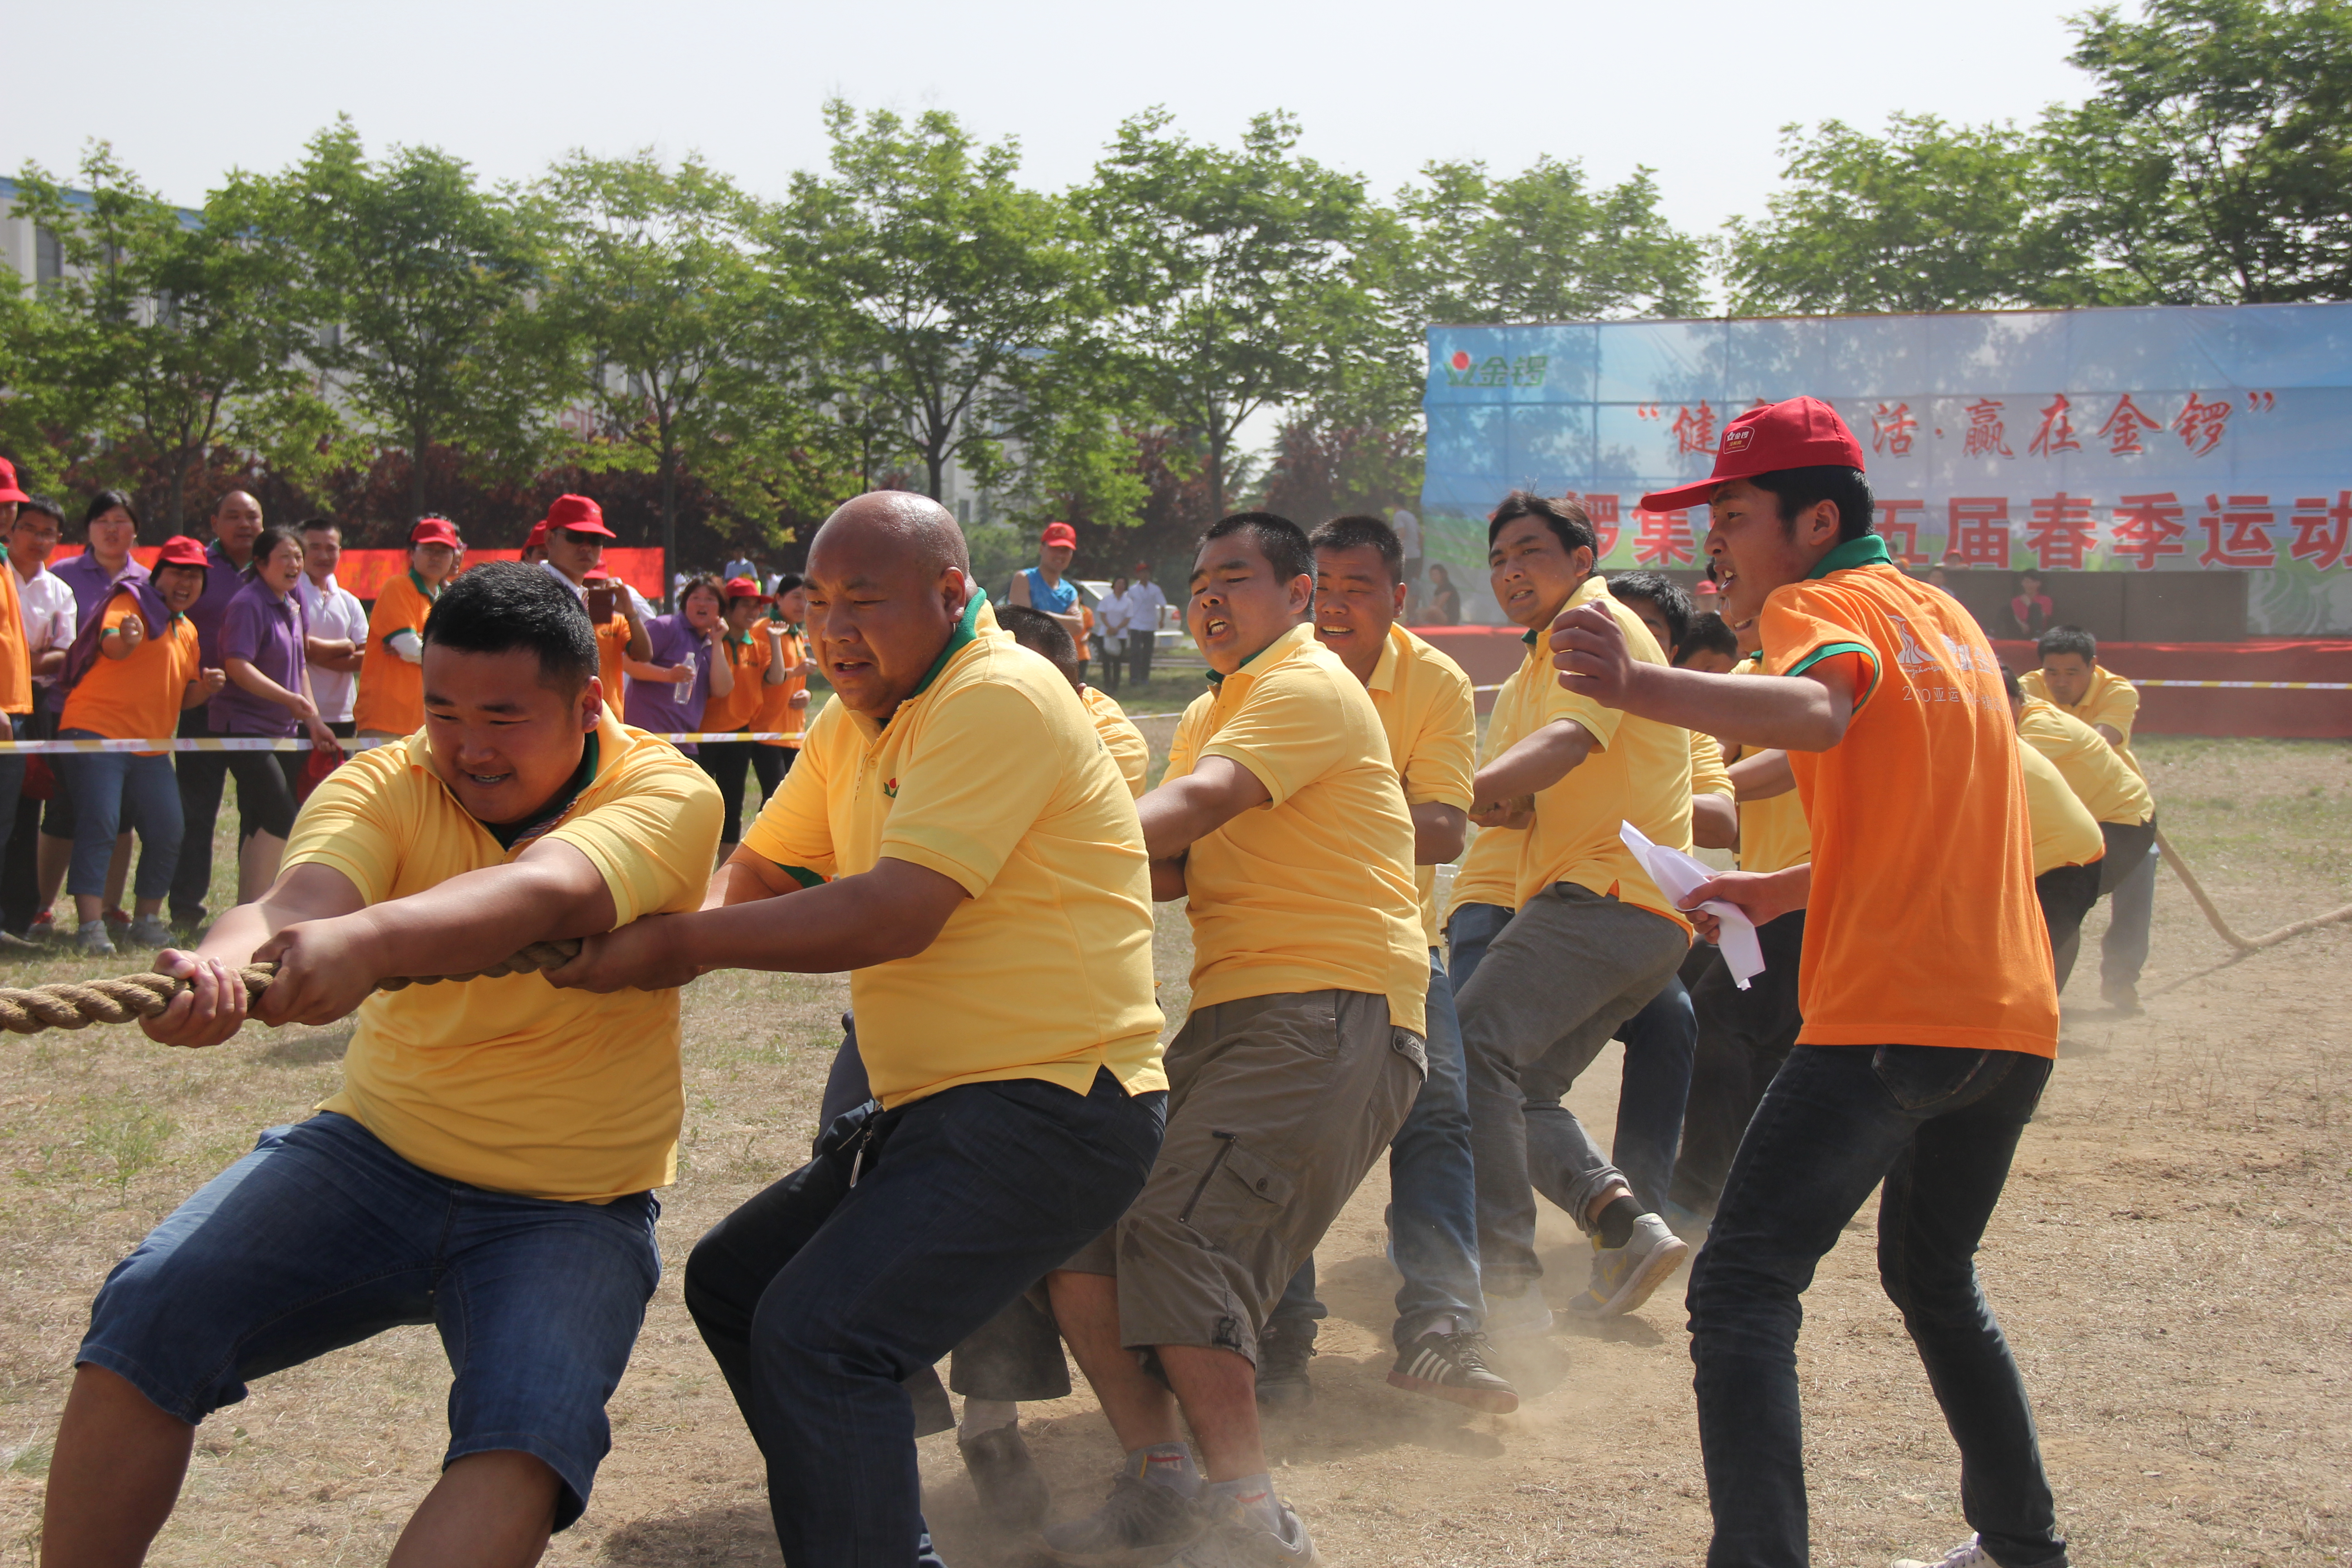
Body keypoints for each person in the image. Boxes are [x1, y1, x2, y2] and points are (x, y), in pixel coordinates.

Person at [40, 562, 721, 1567]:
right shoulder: (387, 777)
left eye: (503, 717)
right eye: (442, 711)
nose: (466, 746)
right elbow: (295, 902)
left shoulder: (667, 791)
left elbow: (545, 892)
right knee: (148, 1319)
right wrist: (223, 969)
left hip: (572, 1202)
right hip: (370, 1156)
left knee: (522, 1449)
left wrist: (372, 945)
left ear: (589, 704)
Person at [544, 492, 1165, 1566]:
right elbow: (765, 875)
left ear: (952, 592)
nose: (831, 628)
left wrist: (669, 950)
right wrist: (593, 925)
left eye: (863, 601)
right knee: (739, 1285)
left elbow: (894, 910)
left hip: (1057, 1101)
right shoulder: (846, 722)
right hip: (945, 1104)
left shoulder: (997, 693)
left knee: (825, 1335)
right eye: (816, 602)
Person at [1549, 395, 2065, 1568]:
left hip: (1893, 1013)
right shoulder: (1946, 620)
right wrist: (1780, 891)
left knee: (1738, 1288)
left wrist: (1642, 689)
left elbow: (1821, 711)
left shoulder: (1815, 605)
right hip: (2010, 1020)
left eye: (1732, 516)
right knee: (1930, 1272)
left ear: (1816, 519)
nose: (1711, 547)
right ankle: (2024, 1546)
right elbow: (1905, 806)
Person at [1044, 511, 1426, 1568]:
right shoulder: (1215, 708)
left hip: (1331, 1005)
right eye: (1197, 582)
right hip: (1236, 1012)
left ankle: (1252, 1514)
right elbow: (1164, 866)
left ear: (1299, 596)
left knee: (1174, 1227)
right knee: (1083, 1228)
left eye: (1236, 579)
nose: (1208, 598)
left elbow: (1196, 807)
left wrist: (1023, 850)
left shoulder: (1302, 685)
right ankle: (1160, 1480)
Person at [1256, 514, 1515, 1416]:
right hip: (1284, 947)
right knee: (1287, 1131)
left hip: (1401, 944)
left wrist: (1317, 817)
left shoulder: (1435, 682)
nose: (1332, 606)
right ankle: (1278, 1331)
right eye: (1318, 588)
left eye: (1355, 589)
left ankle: (1441, 1328)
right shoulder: (1271, 676)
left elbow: (1445, 826)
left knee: (1438, 1115)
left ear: (1399, 598)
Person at [1453, 494, 1693, 1334]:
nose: (1509, 571)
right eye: (1496, 560)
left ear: (1583, 558)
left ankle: (1505, 1283)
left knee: (1470, 1038)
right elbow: (1527, 798)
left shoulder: (1592, 624)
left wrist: (1453, 792)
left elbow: (1569, 743)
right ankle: (1619, 1227)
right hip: (1625, 911)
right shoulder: (1530, 667)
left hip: (1605, 896)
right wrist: (1488, 806)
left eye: (1528, 551)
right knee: (1521, 1084)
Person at [1597, 570, 1737, 1218]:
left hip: (1637, 923)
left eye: (1648, 628)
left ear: (1671, 651)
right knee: (1478, 1040)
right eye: (1615, 620)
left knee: (1674, 1020)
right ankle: (1469, 1223)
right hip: (1526, 911)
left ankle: (1640, 1216)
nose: (1628, 636)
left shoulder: (1690, 730)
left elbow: (1723, 817)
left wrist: (1647, 789)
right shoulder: (1545, 698)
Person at [1665, 622, 1812, 1233]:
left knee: (1722, 1019)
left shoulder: (1824, 661)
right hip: (1773, 888)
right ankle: (1746, 1186)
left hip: (1803, 886)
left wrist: (1678, 803)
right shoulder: (1750, 675)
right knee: (1770, 1038)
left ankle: (1695, 1197)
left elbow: (1795, 757)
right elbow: (1716, 752)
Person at [51, 536, 225, 953]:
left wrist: (206, 690)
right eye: (178, 572)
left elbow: (182, 696)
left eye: (195, 575)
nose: (186, 582)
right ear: (158, 575)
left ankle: (147, 920)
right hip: (95, 733)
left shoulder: (187, 629)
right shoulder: (130, 603)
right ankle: (90, 927)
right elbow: (111, 645)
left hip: (149, 748)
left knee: (168, 829)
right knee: (101, 825)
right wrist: (127, 640)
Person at [2021, 625, 2155, 1013]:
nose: (2060, 682)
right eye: (2052, 673)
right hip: (2062, 813)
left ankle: (2121, 979)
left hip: (2115, 808)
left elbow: (2103, 737)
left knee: (2136, 881)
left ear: (2093, 667)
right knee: (2062, 896)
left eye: (2072, 673)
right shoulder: (2026, 688)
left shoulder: (2117, 690)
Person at [210, 525, 340, 906]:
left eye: (298, 556)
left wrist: (312, 718)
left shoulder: (293, 602)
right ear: (260, 563)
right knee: (283, 817)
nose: (295, 564)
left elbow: (300, 666)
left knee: (258, 819)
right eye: (285, 556)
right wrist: (288, 700)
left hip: (283, 730)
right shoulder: (247, 603)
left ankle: (247, 906)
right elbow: (237, 665)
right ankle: (260, 909)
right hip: (244, 729)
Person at [41, 492, 150, 941]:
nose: (111, 529)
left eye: (121, 520)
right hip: (63, 712)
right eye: (101, 520)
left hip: (129, 720)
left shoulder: (148, 583)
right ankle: (41, 908)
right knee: (64, 810)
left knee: (120, 814)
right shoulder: (62, 576)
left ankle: (110, 905)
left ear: (135, 530)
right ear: (87, 530)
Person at [163, 490, 265, 934]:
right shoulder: (196, 566)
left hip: (258, 714)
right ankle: (186, 907)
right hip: (200, 706)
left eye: (252, 517)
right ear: (214, 521)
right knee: (197, 811)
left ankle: (256, 906)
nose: (244, 524)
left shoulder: (276, 565)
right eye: (233, 516)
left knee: (261, 810)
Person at [2004, 667, 2110, 984]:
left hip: (2068, 858)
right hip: (2041, 855)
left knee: (2040, 962)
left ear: (2019, 700)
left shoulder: (2028, 734)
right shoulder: (1988, 738)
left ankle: (2040, 1023)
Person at [1, 493, 74, 944]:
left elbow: (63, 655)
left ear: (58, 540)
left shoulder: (58, 592)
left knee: (26, 812)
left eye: (48, 532)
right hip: (6, 703)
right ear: (12, 528)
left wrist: (22, 664)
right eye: (29, 527)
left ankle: (16, 915)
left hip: (35, 708)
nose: (38, 538)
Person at [694, 577, 789, 859]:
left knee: (732, 806)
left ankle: (722, 876)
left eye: (757, 606)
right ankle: (695, 870)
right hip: (702, 735)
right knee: (699, 806)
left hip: (740, 734)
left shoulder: (756, 646)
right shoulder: (709, 642)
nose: (753, 612)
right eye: (746, 605)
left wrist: (774, 639)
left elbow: (776, 678)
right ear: (728, 607)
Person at [533, 496, 652, 708]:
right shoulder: (532, 590)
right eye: (576, 537)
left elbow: (644, 655)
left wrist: (630, 613)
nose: (587, 547)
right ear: (550, 540)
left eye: (596, 539)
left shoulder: (582, 596)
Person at [352, 516, 461, 740]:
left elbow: (423, 649)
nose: (436, 556)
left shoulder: (444, 600)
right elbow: (409, 648)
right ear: (411, 553)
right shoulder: (399, 586)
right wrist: (447, 651)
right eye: (429, 549)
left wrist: (426, 644)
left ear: (454, 557)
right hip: (385, 721)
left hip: (424, 724)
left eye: (444, 551)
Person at [622, 575, 730, 753]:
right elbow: (628, 664)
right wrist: (668, 675)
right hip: (648, 740)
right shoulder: (665, 626)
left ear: (721, 609)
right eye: (695, 598)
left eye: (710, 599)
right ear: (685, 603)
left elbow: (722, 689)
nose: (701, 604)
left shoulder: (713, 643)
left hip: (685, 743)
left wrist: (718, 642)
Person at [291, 518, 368, 737]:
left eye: (331, 548)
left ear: (340, 551)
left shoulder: (349, 601)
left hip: (344, 716)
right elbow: (297, 648)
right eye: (314, 547)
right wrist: (346, 646)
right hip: (299, 715)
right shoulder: (289, 594)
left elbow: (366, 657)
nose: (323, 556)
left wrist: (313, 655)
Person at [752, 573, 813, 799]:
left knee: (791, 799)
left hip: (793, 731)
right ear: (778, 598)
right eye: (796, 597)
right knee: (775, 797)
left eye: (807, 598)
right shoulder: (765, 629)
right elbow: (766, 678)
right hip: (766, 730)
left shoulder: (796, 634)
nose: (802, 604)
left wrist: (807, 694)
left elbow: (798, 681)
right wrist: (796, 672)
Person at [1008, 520, 1085, 647]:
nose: (1060, 555)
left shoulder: (1070, 592)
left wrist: (1041, 614)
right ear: (1041, 549)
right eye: (1055, 548)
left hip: (1057, 658)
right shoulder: (1024, 579)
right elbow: (1025, 622)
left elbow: (1078, 627)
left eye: (1065, 550)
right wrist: (1063, 620)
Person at [1124, 558, 1168, 688]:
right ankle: (1134, 677)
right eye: (1142, 573)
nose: (1145, 575)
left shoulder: (1155, 589)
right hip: (1136, 624)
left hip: (1150, 625)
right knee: (1135, 652)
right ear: (1138, 575)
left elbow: (1163, 605)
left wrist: (1162, 620)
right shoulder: (1132, 590)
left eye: (1147, 573)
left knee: (1147, 653)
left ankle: (1145, 677)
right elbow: (1127, 606)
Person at [1094, 574, 1132, 694]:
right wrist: (1110, 628)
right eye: (1119, 583)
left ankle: (1115, 685)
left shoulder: (1128, 601)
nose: (1121, 586)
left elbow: (1128, 618)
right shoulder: (1106, 599)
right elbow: (1103, 615)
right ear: (1114, 585)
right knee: (1106, 661)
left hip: (1120, 635)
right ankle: (1107, 684)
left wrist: (1117, 628)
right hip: (1106, 633)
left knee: (1117, 661)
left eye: (1123, 584)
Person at [1391, 507, 1424, 615]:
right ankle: (1412, 615)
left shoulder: (1399, 515)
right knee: (1411, 584)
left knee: (1402, 585)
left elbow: (1402, 532)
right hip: (1416, 555)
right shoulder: (1411, 516)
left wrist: (1395, 550)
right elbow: (1420, 536)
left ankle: (1404, 615)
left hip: (1406, 555)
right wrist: (1419, 551)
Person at [2009, 572, 2053, 641]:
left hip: (2035, 629)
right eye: (2027, 582)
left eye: (2033, 582)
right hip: (2020, 629)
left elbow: (2042, 617)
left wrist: (2029, 605)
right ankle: (1993, 634)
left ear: (2039, 584)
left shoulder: (2046, 600)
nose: (2029, 585)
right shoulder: (2017, 600)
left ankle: (2037, 636)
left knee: (2035, 606)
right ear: (2022, 583)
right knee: (2005, 610)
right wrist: (2022, 625)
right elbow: (2015, 616)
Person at [1424, 562, 1462, 627]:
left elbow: (1439, 606)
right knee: (1420, 611)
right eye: (1432, 575)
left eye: (1436, 574)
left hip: (1450, 618)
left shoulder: (1448, 587)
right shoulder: (1438, 589)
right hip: (1443, 615)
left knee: (1433, 610)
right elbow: (1432, 604)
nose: (1434, 577)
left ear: (1443, 575)